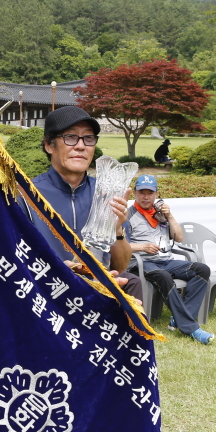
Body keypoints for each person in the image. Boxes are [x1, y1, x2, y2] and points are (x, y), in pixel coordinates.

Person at [30, 106, 142, 300]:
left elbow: (121, 265)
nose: (81, 146)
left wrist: (117, 230)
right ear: (49, 145)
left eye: (88, 138)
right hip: (47, 298)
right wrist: (59, 269)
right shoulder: (27, 195)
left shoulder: (106, 193)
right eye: (71, 137)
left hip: (97, 299)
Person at [124, 175, 214, 345]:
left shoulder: (161, 213)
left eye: (150, 193)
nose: (145, 197)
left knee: (202, 269)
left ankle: (178, 318)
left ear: (156, 194)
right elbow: (118, 246)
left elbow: (179, 238)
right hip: (141, 262)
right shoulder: (127, 215)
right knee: (163, 276)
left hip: (166, 260)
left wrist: (170, 216)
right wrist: (142, 247)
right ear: (134, 193)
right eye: (142, 192)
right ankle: (190, 328)